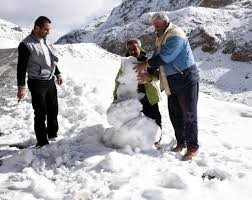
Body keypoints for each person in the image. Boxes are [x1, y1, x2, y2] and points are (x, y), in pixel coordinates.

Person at [134, 12, 200, 161]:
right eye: (154, 26)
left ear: (165, 23)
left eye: (157, 25)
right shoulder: (160, 36)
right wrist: (150, 75)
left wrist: (147, 64)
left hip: (186, 77)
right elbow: (159, 62)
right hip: (171, 80)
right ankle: (181, 142)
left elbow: (166, 56)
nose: (155, 28)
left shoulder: (176, 34)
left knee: (189, 114)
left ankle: (193, 147)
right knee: (175, 114)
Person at [16, 16, 63, 147]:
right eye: (46, 30)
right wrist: (21, 87)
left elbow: (51, 59)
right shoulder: (26, 45)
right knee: (41, 112)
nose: (48, 32)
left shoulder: (45, 40)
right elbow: (21, 68)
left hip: (49, 81)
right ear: (37, 28)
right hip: (37, 82)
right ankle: (42, 142)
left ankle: (52, 134)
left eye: (49, 29)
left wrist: (57, 73)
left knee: (53, 109)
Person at [113, 39, 162, 135]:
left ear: (140, 48)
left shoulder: (148, 61)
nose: (132, 52)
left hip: (149, 96)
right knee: (135, 120)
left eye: (134, 49)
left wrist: (150, 78)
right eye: (130, 49)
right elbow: (118, 80)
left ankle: (157, 140)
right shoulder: (126, 63)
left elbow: (158, 75)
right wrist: (115, 95)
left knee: (155, 119)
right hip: (133, 96)